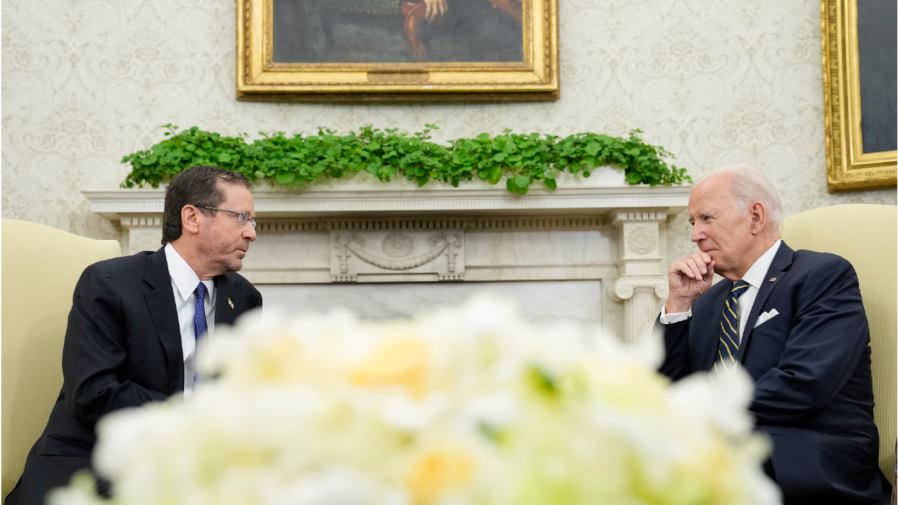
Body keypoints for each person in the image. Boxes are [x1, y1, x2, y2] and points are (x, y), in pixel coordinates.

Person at [4, 166, 263, 504]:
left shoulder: (243, 298)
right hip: (98, 462)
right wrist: (193, 418)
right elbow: (92, 392)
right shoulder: (110, 284)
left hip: (193, 467)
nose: (252, 234)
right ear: (193, 218)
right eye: (242, 218)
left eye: (253, 222)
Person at [657, 165, 892, 505]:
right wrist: (677, 306)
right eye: (692, 223)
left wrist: (698, 415)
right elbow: (664, 390)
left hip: (810, 455)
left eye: (707, 218)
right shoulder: (706, 301)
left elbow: (803, 384)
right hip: (724, 450)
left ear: (755, 216)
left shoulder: (820, 276)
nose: (695, 235)